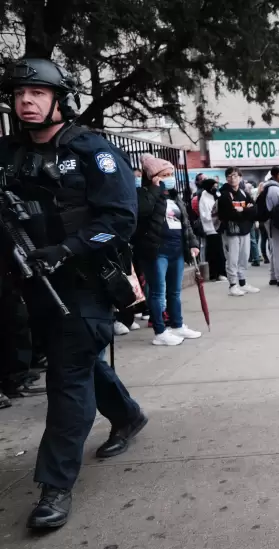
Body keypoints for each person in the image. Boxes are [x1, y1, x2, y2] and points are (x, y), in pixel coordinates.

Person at [0, 57, 148, 529]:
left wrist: (65, 249)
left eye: (37, 93)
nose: (26, 101)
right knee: (77, 360)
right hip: (31, 284)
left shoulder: (91, 150)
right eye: (20, 94)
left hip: (83, 283)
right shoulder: (7, 153)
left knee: (68, 380)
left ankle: (55, 485)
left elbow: (121, 219)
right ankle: (127, 415)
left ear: (58, 100)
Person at [134, 154, 203, 345]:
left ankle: (177, 325)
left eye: (171, 174)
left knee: (174, 292)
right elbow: (143, 211)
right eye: (165, 175)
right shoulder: (144, 195)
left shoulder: (174, 197)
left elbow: (185, 222)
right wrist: (156, 189)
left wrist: (192, 244)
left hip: (176, 250)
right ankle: (160, 331)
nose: (170, 178)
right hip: (156, 250)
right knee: (157, 292)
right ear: (154, 176)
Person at [216, 167, 261, 296]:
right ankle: (232, 285)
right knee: (232, 258)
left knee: (244, 257)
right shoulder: (224, 194)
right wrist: (246, 210)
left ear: (240, 177)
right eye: (229, 176)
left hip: (245, 230)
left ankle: (242, 282)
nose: (232, 178)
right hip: (231, 231)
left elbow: (254, 210)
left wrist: (243, 211)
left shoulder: (243, 192)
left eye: (235, 175)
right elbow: (229, 214)